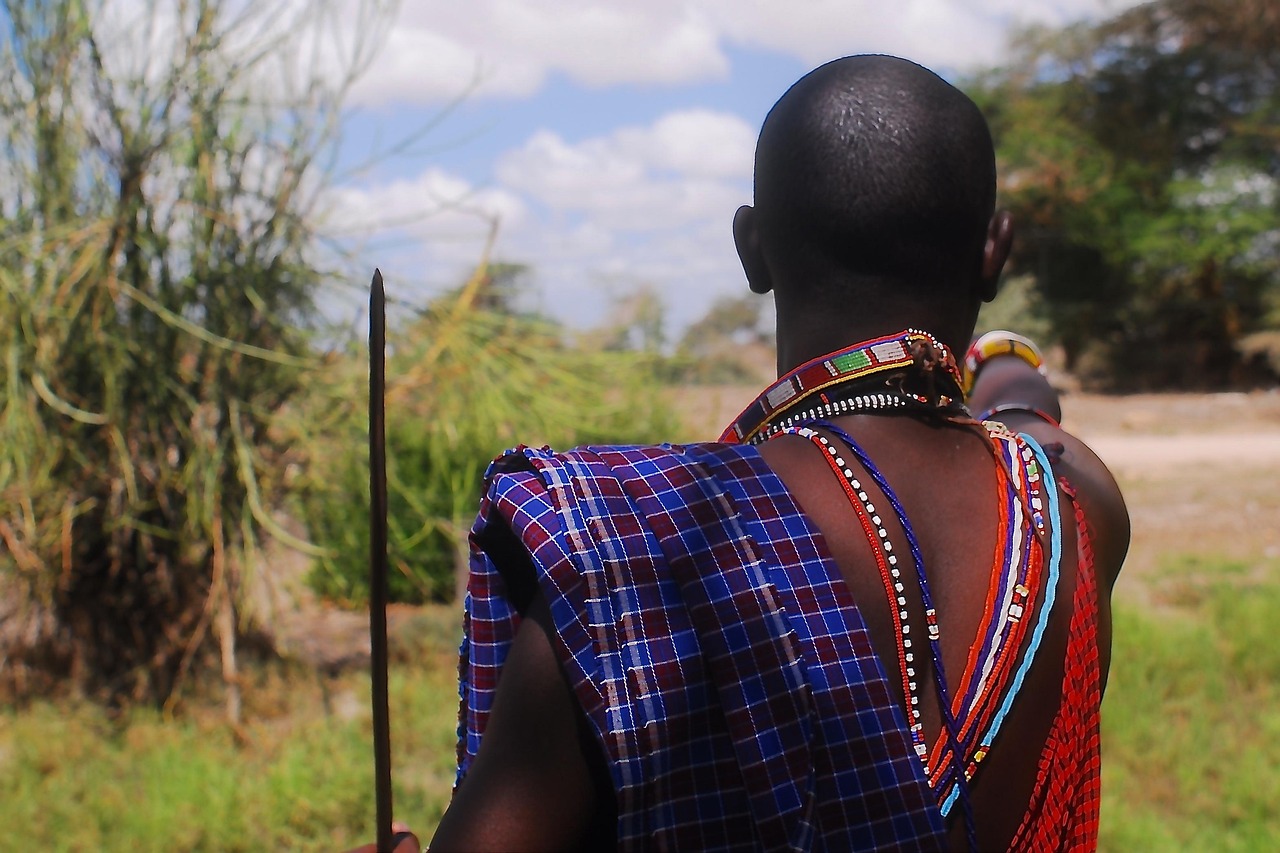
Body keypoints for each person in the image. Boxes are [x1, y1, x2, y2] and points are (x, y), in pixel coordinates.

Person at [353, 53, 1129, 853]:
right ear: (994, 252)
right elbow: (1026, 418)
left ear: (751, 249)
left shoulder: (632, 557)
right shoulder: (1076, 505)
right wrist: (1005, 357)